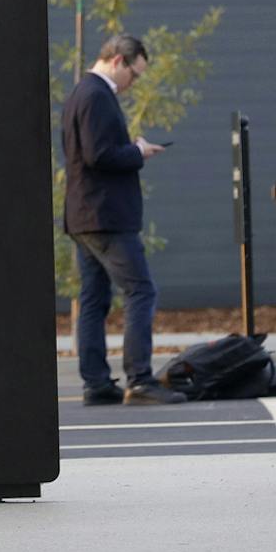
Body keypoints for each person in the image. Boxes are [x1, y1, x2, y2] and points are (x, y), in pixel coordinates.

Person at [62, 33, 183, 406]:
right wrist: (137, 151)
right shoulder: (97, 94)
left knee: (94, 298)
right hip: (106, 217)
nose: (134, 83)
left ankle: (97, 383)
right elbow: (100, 155)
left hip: (85, 215)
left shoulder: (82, 92)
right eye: (135, 74)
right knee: (140, 290)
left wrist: (132, 149)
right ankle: (139, 379)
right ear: (117, 60)